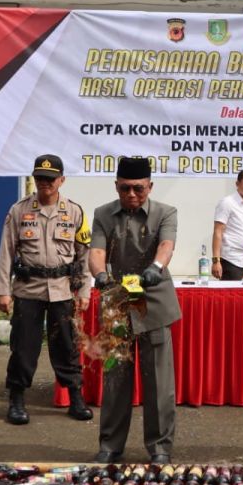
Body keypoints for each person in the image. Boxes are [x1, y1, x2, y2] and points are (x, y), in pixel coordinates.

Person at [88, 156, 181, 463]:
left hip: (152, 298)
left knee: (158, 382)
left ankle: (160, 449)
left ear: (150, 186)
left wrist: (157, 267)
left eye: (138, 189)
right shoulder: (103, 214)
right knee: (115, 379)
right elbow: (97, 251)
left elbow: (166, 246)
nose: (131, 195)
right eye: (125, 188)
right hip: (117, 300)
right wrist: (100, 275)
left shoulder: (166, 213)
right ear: (116, 185)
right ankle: (110, 446)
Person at [0, 155, 93, 426]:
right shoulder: (19, 210)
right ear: (34, 179)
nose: (45, 183)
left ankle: (75, 397)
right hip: (28, 289)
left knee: (67, 346)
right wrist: (2, 290)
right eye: (40, 178)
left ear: (61, 180)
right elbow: (6, 252)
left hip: (62, 290)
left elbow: (84, 255)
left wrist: (85, 290)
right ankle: (16, 400)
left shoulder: (75, 211)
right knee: (24, 347)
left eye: (50, 179)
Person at [211, 169, 243, 280]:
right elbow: (218, 232)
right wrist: (216, 261)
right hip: (232, 261)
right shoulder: (227, 202)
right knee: (232, 296)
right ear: (237, 184)